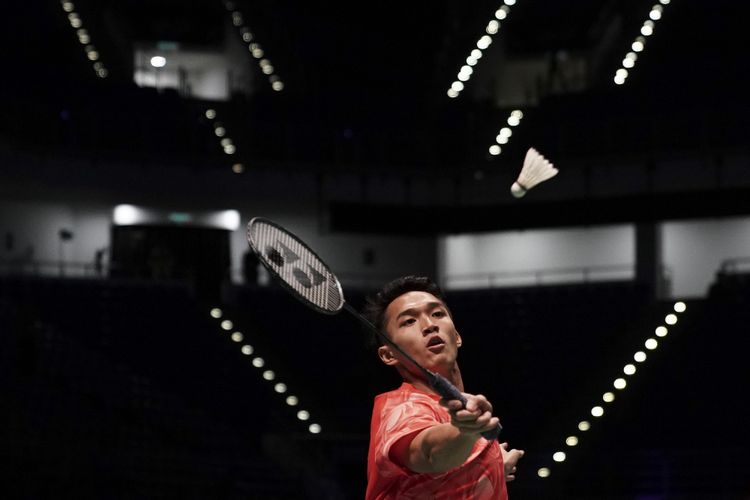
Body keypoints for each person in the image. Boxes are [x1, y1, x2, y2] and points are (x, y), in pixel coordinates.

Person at [362, 275, 524, 499]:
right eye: (409, 321)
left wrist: (491, 465)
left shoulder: (461, 417)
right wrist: (466, 431)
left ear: (457, 337)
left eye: (437, 314)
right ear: (388, 354)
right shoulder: (400, 409)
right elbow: (431, 455)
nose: (430, 326)